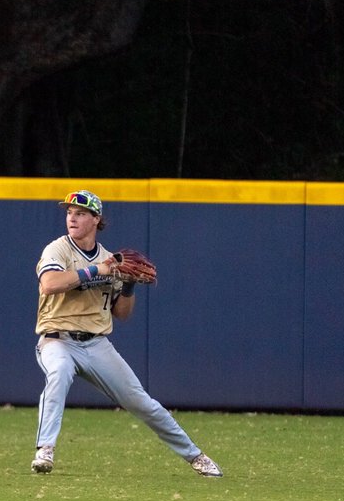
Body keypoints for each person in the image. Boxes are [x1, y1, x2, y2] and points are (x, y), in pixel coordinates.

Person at [31, 190, 222, 477]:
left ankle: (196, 456)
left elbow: (121, 314)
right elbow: (49, 284)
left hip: (96, 344)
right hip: (57, 340)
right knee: (58, 374)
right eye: (69, 212)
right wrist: (96, 270)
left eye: (81, 213)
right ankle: (45, 449)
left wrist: (129, 285)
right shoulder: (58, 249)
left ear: (96, 219)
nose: (72, 217)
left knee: (141, 402)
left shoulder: (111, 260)